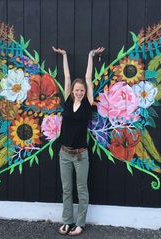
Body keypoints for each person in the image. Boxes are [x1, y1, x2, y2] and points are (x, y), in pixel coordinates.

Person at [52, 46, 105, 236]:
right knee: (67, 189)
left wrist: (90, 56)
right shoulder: (67, 100)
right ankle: (67, 221)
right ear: (72, 91)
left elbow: (89, 78)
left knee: (82, 190)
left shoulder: (88, 104)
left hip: (81, 155)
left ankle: (80, 223)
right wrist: (65, 55)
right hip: (64, 154)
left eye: (82, 90)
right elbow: (66, 77)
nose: (79, 92)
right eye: (77, 90)